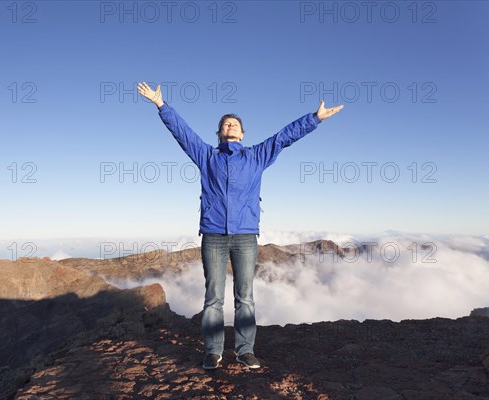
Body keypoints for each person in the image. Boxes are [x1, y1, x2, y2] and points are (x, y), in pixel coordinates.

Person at [137, 82, 343, 370]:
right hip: (213, 235)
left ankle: (245, 350)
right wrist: (161, 105)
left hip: (246, 236)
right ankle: (213, 351)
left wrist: (314, 118)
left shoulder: (256, 156)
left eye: (234, 124)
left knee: (245, 297)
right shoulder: (207, 156)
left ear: (242, 134)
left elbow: (284, 137)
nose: (230, 126)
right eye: (225, 124)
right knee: (213, 298)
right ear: (220, 133)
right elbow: (183, 134)